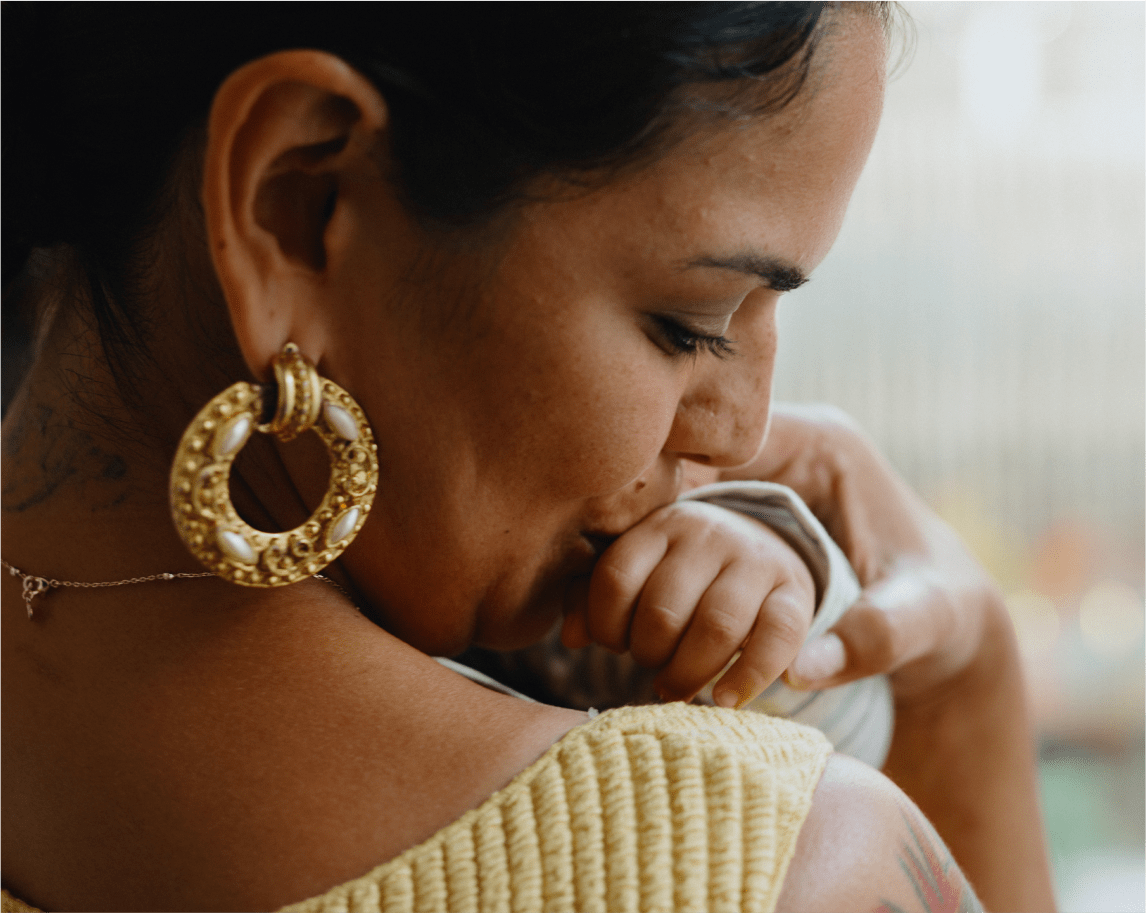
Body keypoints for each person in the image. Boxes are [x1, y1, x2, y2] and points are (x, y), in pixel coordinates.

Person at [0, 3, 1055, 911]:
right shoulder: (767, 864)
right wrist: (963, 694)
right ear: (300, 208)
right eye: (687, 323)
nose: (739, 433)